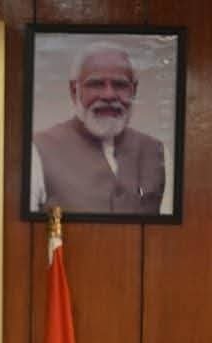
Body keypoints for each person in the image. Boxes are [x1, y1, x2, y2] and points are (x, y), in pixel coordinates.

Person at [30, 41, 165, 215]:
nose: (109, 95)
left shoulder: (157, 152)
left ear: (134, 90)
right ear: (74, 90)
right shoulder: (38, 150)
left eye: (120, 85)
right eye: (96, 84)